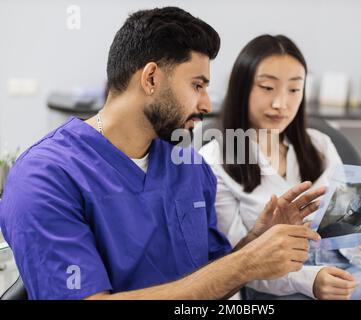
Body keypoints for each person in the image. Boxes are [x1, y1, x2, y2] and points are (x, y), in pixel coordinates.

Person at [0, 8, 324, 300]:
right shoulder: (45, 178)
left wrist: (256, 241)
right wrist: (244, 264)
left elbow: (212, 279)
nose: (208, 105)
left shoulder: (189, 167)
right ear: (151, 78)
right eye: (197, 85)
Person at [199, 34, 361, 300]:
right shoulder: (214, 160)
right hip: (271, 285)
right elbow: (235, 263)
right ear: (241, 89)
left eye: (294, 89)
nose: (280, 103)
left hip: (339, 273)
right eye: (267, 88)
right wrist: (311, 281)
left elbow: (343, 226)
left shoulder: (320, 145)